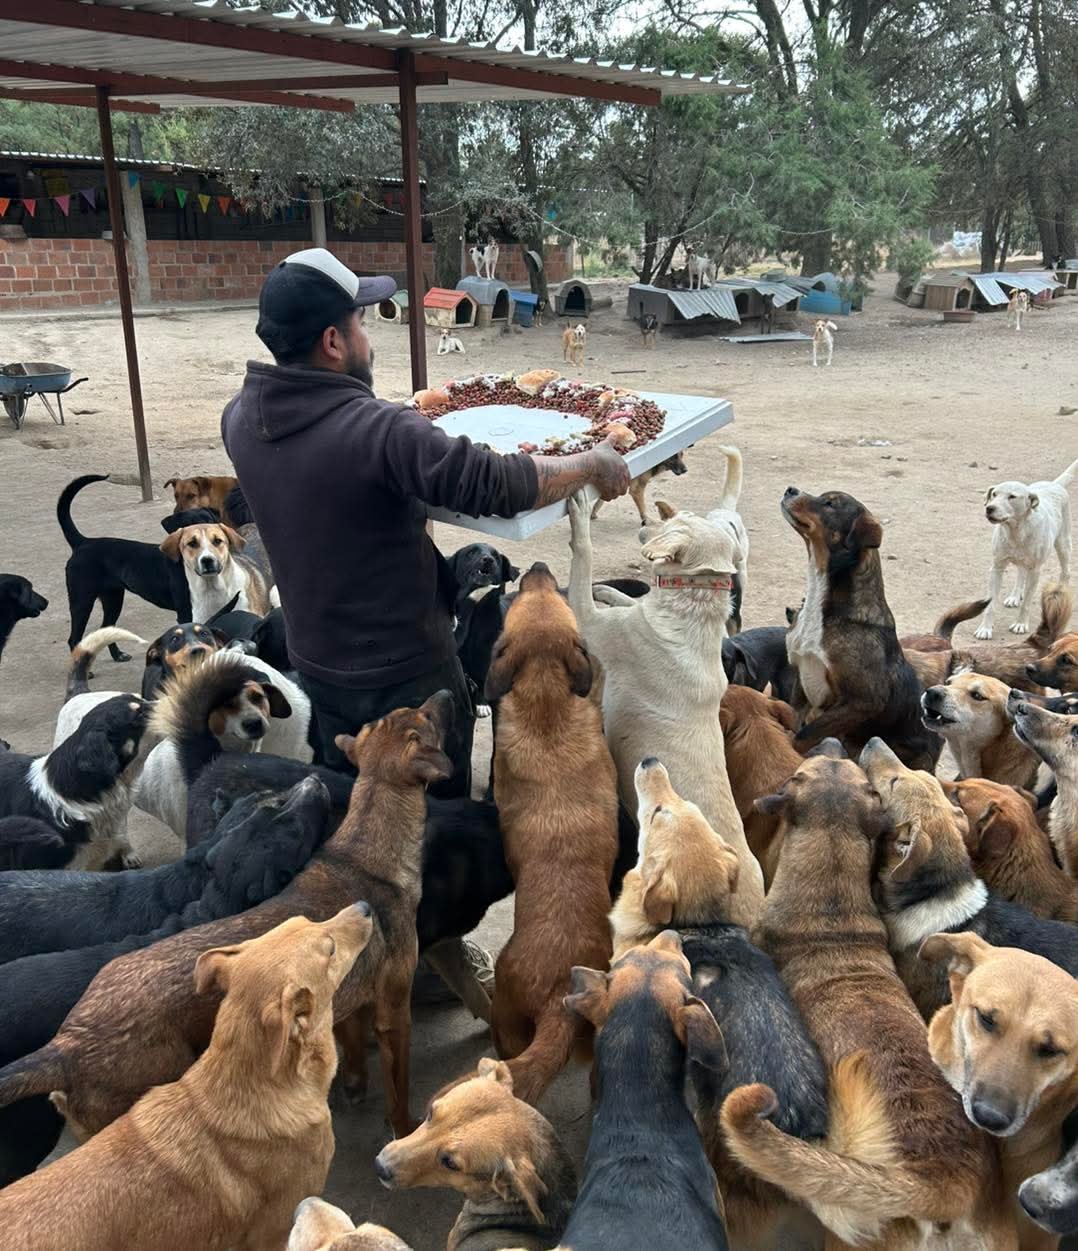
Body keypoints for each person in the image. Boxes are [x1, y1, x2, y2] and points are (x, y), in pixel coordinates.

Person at [222, 248, 630, 795]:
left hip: (318, 663)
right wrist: (590, 461)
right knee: (437, 817)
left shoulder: (240, 419)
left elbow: (331, 463)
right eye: (361, 324)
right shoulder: (381, 432)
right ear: (333, 342)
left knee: (356, 803)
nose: (368, 338)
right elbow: (500, 483)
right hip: (405, 673)